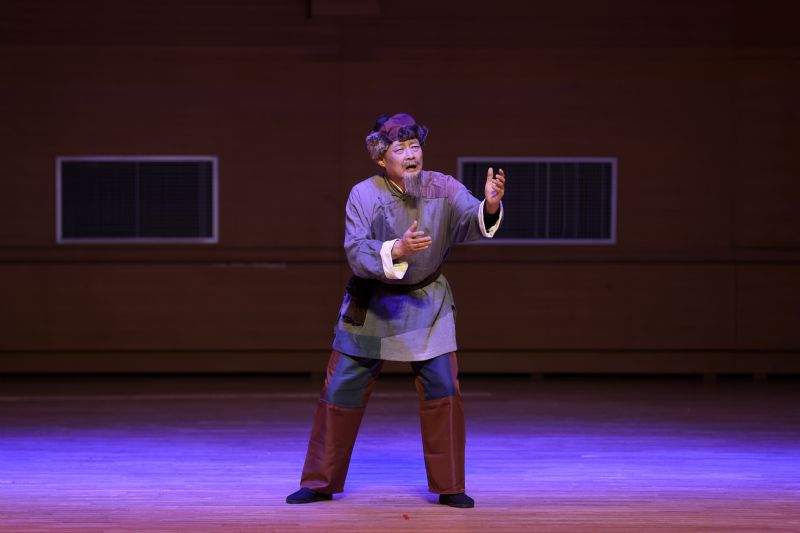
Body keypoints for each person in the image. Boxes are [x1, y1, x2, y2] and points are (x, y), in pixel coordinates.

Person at [286, 113, 505, 508]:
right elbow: (356, 250)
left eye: (415, 146)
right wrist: (397, 249)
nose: (410, 155)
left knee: (444, 389)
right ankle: (320, 481)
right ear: (380, 158)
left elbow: (470, 218)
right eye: (400, 149)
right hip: (373, 304)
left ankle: (450, 485)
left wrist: (489, 206)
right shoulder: (363, 194)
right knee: (340, 389)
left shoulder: (442, 187)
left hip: (427, 303)